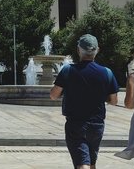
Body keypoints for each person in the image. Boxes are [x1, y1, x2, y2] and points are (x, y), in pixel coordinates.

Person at [50, 34, 119, 169]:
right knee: (91, 163)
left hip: (76, 124)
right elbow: (114, 101)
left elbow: (53, 95)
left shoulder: (68, 70)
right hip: (97, 124)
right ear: (97, 50)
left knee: (82, 164)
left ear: (78, 50)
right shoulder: (107, 72)